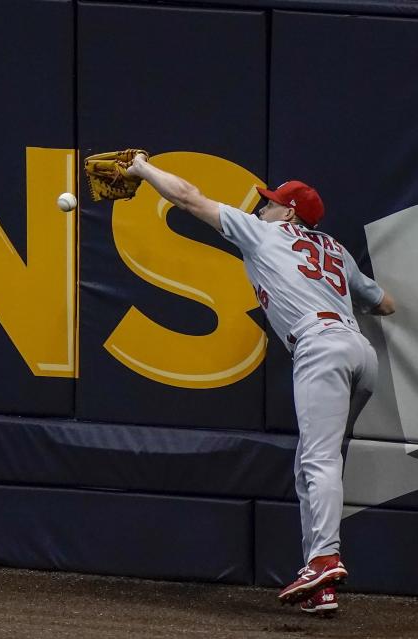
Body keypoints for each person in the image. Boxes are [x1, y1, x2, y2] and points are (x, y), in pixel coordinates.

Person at [125, 153, 396, 612]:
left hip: (320, 345)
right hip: (359, 354)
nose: (261, 209)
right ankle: (321, 586)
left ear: (288, 213)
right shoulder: (336, 251)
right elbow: (385, 304)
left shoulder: (264, 232)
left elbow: (188, 199)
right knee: (312, 465)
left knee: (318, 460)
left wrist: (143, 168)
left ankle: (326, 558)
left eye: (270, 203)